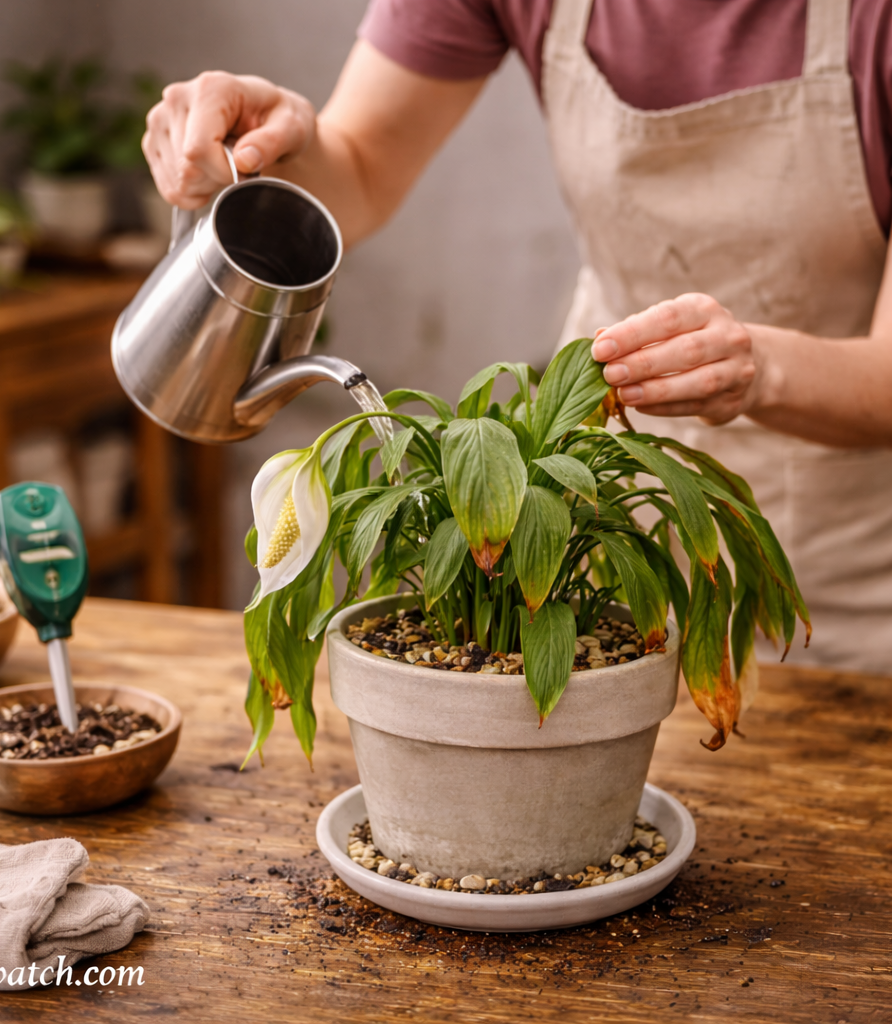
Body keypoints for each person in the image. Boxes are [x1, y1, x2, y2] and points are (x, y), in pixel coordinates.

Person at [143, 0, 892, 673]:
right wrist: (273, 147)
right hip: (598, 497)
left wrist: (759, 372)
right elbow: (361, 172)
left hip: (846, 560)